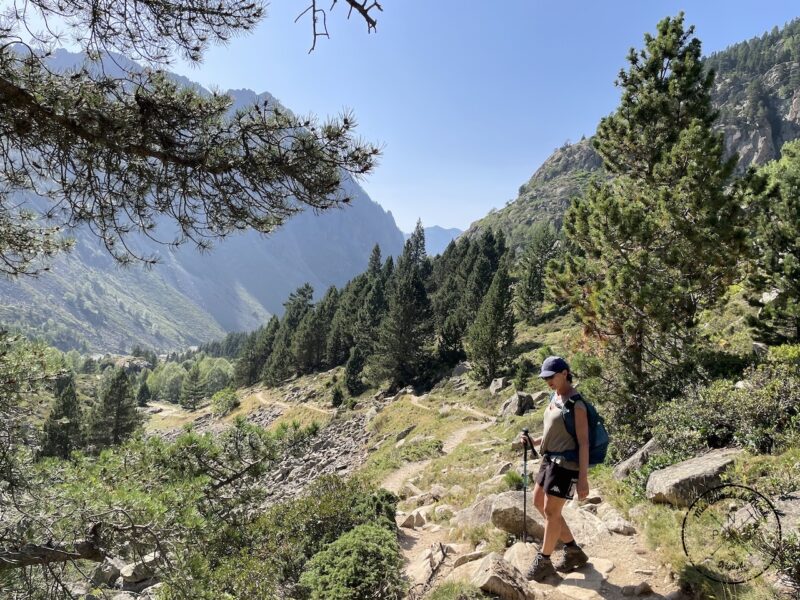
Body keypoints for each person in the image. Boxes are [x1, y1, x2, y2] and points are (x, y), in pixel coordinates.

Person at [521, 355, 590, 581]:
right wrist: (535, 442)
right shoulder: (555, 397)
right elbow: (554, 432)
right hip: (549, 460)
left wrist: (583, 479)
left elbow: (583, 442)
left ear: (564, 373)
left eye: (551, 376)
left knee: (552, 512)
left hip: (567, 465)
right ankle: (572, 550)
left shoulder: (576, 404)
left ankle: (545, 561)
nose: (548, 381)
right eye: (545, 378)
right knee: (538, 502)